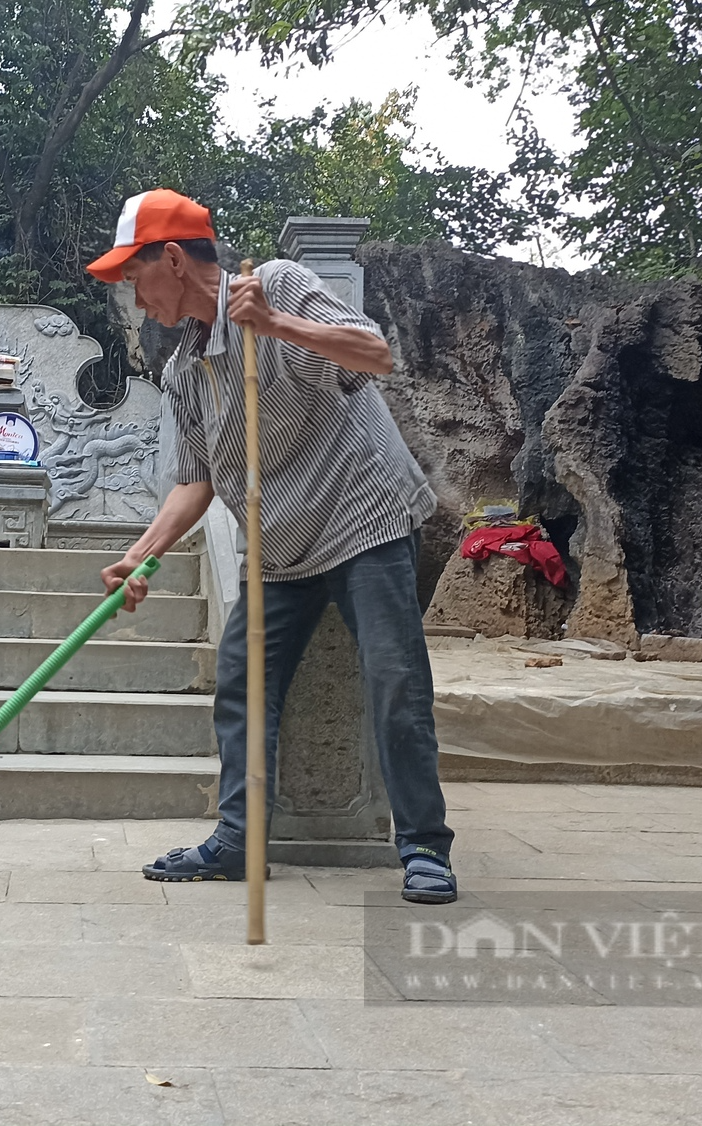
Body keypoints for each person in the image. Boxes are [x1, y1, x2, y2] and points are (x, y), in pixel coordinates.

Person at [88, 188, 459, 904]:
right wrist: (143, 553)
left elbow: (376, 354)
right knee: (242, 684)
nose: (137, 302)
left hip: (363, 520)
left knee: (395, 682)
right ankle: (237, 840)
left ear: (171, 259)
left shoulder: (279, 286)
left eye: (134, 280)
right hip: (280, 547)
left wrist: (276, 325)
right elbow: (193, 482)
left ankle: (422, 844)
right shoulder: (183, 370)